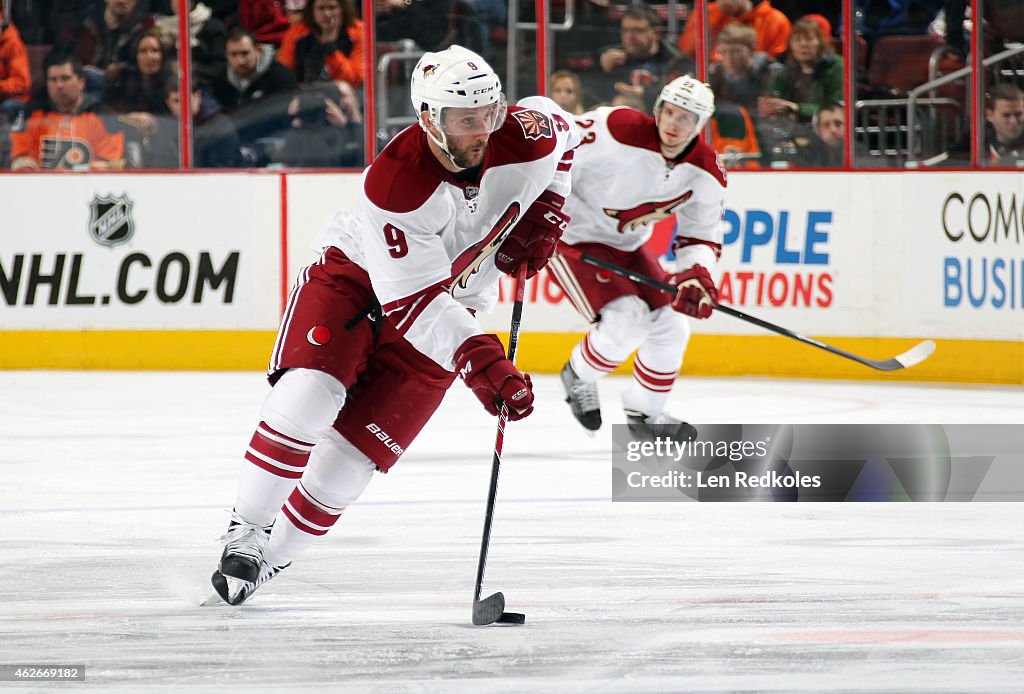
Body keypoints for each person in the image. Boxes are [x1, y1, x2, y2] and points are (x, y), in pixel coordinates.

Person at [209, 45, 581, 605]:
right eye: (466, 120)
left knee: (356, 459)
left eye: (491, 113)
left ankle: (270, 560)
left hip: (457, 303)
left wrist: (550, 207)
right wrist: (482, 359)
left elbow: (572, 138)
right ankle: (248, 528)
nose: (484, 130)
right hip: (358, 282)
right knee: (310, 393)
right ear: (430, 119)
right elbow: (415, 305)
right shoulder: (395, 184)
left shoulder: (527, 135)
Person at [547, 76, 725, 441]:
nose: (673, 125)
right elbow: (556, 150)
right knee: (626, 319)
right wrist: (542, 207)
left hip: (628, 244)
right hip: (576, 235)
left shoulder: (707, 171)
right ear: (658, 109)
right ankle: (579, 374)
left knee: (673, 328)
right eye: (669, 112)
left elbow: (700, 234)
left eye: (686, 119)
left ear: (700, 126)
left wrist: (696, 274)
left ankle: (645, 413)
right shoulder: (617, 128)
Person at [10, 52, 125, 170]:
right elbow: (19, 158)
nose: (59, 85)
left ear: (81, 82)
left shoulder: (104, 116)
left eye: (65, 78)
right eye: (53, 80)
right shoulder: (32, 113)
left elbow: (110, 164)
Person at [590, 5, 691, 111]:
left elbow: (680, 99)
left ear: (656, 33)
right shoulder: (609, 56)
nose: (629, 37)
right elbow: (587, 93)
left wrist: (645, 94)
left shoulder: (675, 60)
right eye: (625, 30)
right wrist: (602, 69)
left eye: (637, 31)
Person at [276, 0, 363, 87]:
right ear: (312, 10)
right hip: (305, 94)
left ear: (342, 9)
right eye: (321, 8)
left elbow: (355, 80)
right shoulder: (297, 33)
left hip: (347, 95)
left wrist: (330, 47)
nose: (327, 14)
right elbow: (284, 75)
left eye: (332, 8)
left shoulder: (358, 31)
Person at [679, 0, 792, 60]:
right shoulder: (705, 12)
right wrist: (718, 14)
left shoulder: (775, 20)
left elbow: (775, 66)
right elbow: (687, 52)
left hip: (753, 87)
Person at [983, 82, 1024, 165]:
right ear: (989, 115)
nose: (1013, 121)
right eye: (1006, 115)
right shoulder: (973, 146)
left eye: (1018, 114)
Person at [794, 100, 844, 167]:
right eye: (826, 125)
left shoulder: (860, 156)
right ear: (817, 130)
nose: (833, 130)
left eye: (838, 124)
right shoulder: (804, 161)